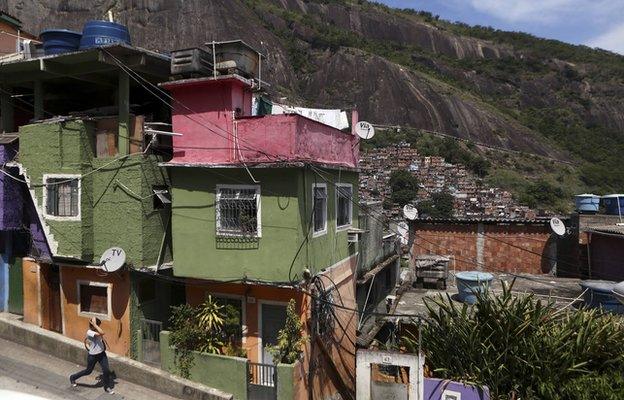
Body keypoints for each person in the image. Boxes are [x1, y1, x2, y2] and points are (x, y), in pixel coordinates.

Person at [69, 317, 115, 394]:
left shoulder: (97, 330)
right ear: (93, 325)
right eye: (98, 325)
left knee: (106, 370)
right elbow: (102, 333)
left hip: (102, 354)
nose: (99, 326)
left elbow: (101, 332)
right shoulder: (89, 332)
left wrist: (95, 326)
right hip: (93, 356)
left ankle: (107, 387)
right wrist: (94, 324)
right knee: (88, 371)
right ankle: (73, 377)